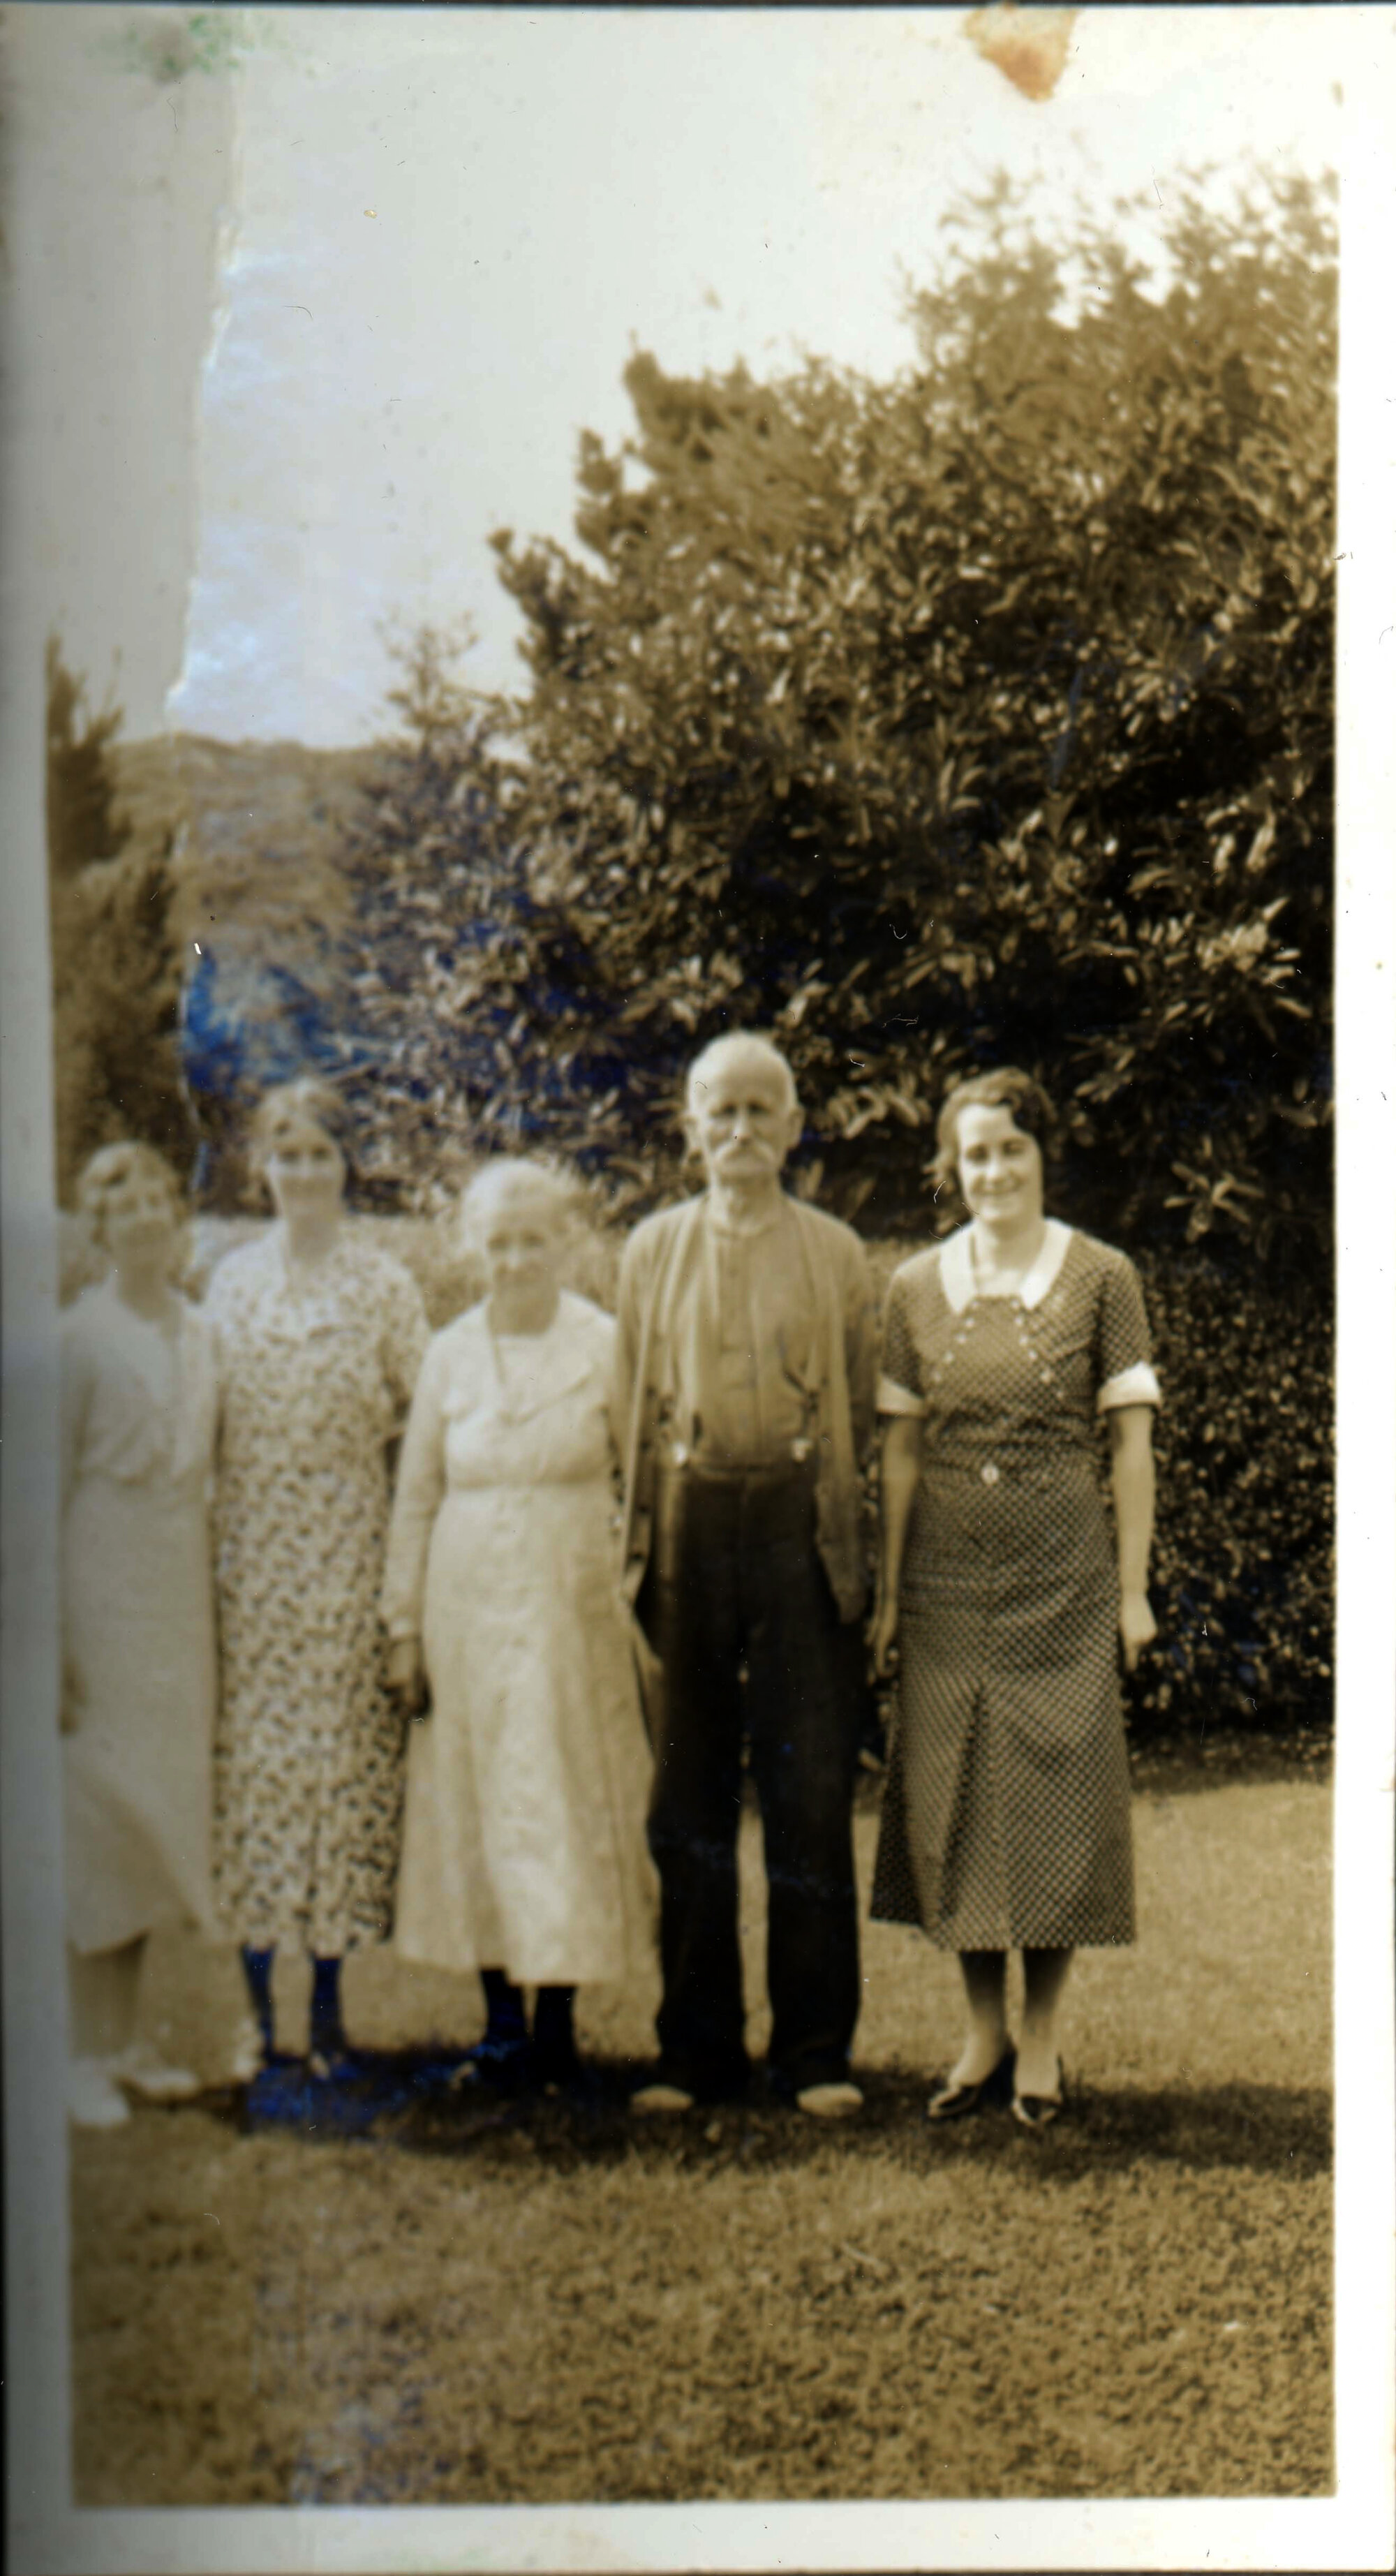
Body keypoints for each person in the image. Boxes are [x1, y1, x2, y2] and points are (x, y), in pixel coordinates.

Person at [868, 1067, 1160, 2129]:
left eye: (1012, 1151)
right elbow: (899, 1454)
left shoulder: (1101, 1277)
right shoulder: (912, 1286)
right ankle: (981, 2029)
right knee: (956, 1799)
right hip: (946, 1581)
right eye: (975, 1153)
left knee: (1053, 1796)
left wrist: (1131, 1593)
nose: (993, 1170)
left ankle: (1041, 2037)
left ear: (1043, 1156)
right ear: (953, 1168)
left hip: (1062, 1577)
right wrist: (895, 1596)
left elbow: (1131, 1447)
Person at [616, 1033, 877, 2117]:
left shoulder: (836, 1251)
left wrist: (853, 1565)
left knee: (810, 1791)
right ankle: (695, 2050)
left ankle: (814, 2052)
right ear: (690, 1126)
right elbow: (625, 1411)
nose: (740, 1131)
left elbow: (859, 1412)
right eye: (719, 1111)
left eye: (760, 1110)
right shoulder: (651, 1249)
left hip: (796, 1523)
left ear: (794, 1124)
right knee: (688, 1795)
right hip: (686, 1516)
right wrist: (629, 1554)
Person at [382, 1158, 657, 2090]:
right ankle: (500, 2024)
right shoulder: (450, 1352)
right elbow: (416, 1497)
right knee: (478, 1801)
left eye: (532, 1239)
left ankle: (559, 2026)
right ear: (473, 1249)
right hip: (466, 1611)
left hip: (567, 1606)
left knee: (565, 1801)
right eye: (497, 1242)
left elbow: (646, 1484)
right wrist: (403, 1629)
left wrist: (633, 1591)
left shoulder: (604, 1342)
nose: (515, 1259)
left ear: (567, 1242)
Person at [206, 1078, 429, 2078]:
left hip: (346, 1559)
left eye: (320, 1154)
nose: (303, 1173)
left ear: (347, 1167)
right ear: (264, 1169)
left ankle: (331, 2013)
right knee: (260, 1777)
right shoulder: (229, 1283)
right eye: (286, 1154)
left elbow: (424, 1431)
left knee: (338, 1777)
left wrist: (404, 1587)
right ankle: (259, 2014)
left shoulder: (383, 1286)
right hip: (252, 1567)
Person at [60, 1144, 218, 2128]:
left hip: (179, 1586)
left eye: (161, 1204)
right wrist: (53, 1642)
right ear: (101, 1230)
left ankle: (125, 2041)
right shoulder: (77, 1339)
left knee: (155, 1815)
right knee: (95, 1817)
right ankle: (82, 2050)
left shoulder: (202, 1331)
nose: (148, 1224)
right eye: (128, 1212)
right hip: (101, 1578)